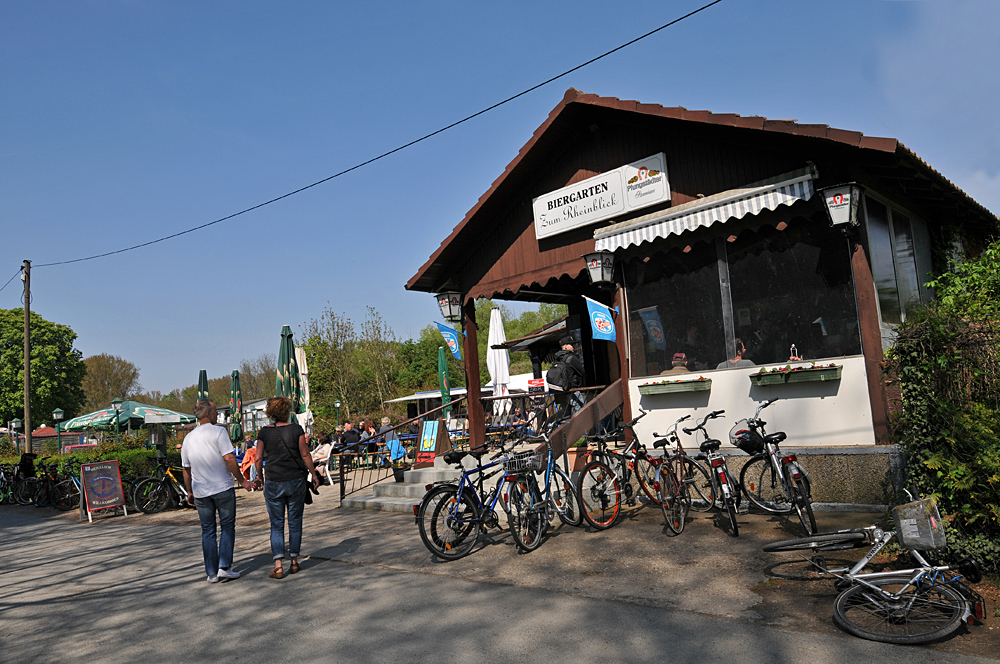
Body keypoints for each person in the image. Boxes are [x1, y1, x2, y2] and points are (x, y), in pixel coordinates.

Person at [181, 399, 254, 584]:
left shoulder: (188, 438)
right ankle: (224, 567)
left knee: (208, 531)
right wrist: (242, 480)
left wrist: (189, 491)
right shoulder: (219, 432)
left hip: (201, 491)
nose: (216, 415)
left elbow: (186, 469)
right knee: (227, 527)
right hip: (222, 487)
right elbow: (229, 458)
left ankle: (211, 572)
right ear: (207, 414)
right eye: (214, 412)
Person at [253, 396, 320, 579]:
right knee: (295, 521)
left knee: (276, 524)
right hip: (295, 480)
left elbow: (258, 458)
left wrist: (259, 477)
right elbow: (305, 453)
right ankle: (294, 561)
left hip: (274, 481)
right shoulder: (296, 429)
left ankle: (278, 565)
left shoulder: (264, 433)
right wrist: (313, 475)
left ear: (270, 412)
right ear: (286, 410)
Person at [555, 335, 586, 414]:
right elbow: (582, 372)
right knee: (580, 413)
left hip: (561, 392)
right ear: (565, 346)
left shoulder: (557, 359)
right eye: (571, 345)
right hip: (573, 390)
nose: (573, 347)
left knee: (566, 415)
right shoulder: (571, 358)